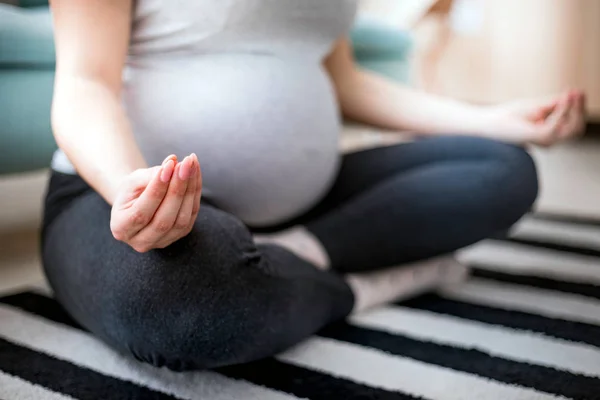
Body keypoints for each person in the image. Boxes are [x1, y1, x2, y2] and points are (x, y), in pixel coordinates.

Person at [43, 0, 586, 371]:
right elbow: (84, 83)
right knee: (181, 308)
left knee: (503, 171)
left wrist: (498, 120)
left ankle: (290, 256)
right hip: (116, 194)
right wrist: (129, 190)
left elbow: (346, 81)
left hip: (308, 201)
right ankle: (357, 288)